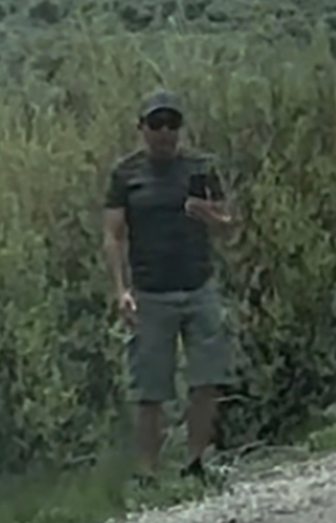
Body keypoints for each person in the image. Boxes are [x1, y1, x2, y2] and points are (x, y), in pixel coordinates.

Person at [103, 88, 237, 484]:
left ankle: (195, 464)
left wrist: (210, 216)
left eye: (172, 124)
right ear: (141, 128)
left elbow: (231, 226)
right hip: (150, 292)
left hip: (198, 286)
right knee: (150, 387)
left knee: (207, 379)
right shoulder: (126, 174)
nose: (164, 132)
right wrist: (120, 289)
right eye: (156, 124)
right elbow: (113, 235)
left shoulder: (200, 167)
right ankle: (147, 473)